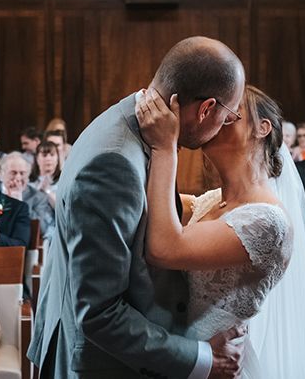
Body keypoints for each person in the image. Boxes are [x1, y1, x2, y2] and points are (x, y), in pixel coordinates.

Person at [29, 36, 247, 378]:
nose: (224, 126)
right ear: (205, 109)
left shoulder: (125, 120)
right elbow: (99, 312)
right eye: (228, 116)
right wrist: (202, 360)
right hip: (102, 366)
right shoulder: (114, 164)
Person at [138, 85, 294, 376]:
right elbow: (151, 207)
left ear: (262, 128)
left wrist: (165, 147)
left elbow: (163, 248)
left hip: (214, 362)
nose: (215, 117)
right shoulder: (211, 200)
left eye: (231, 111)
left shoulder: (266, 221)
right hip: (184, 353)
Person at [2, 152, 54, 244]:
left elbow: (42, 229)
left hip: (24, 246)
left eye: (22, 173)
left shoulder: (38, 197)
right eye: (13, 173)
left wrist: (20, 204)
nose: (18, 178)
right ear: (2, 173)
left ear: (28, 175)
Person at [30, 141, 61, 209]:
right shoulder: (29, 182)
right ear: (37, 159)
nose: (48, 159)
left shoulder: (63, 181)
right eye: (44, 155)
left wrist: (47, 191)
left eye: (52, 155)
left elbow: (62, 209)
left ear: (57, 159)